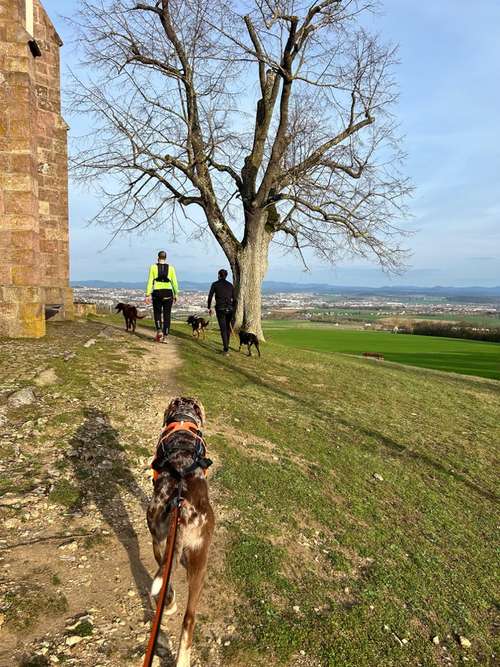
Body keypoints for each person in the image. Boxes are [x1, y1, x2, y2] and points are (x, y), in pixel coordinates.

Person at [145, 250, 179, 343]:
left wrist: (148, 294)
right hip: (168, 293)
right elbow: (174, 282)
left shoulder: (153, 267)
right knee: (167, 315)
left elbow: (150, 281)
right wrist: (176, 294)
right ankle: (165, 335)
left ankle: (159, 330)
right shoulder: (171, 268)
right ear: (166, 258)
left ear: (158, 258)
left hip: (157, 292)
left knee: (157, 313)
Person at [208, 269, 235, 355]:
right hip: (230, 309)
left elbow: (210, 296)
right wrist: (233, 308)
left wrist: (209, 307)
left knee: (223, 329)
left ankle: (226, 349)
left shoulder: (215, 284)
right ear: (226, 276)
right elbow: (235, 299)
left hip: (220, 309)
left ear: (219, 275)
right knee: (227, 328)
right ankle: (227, 346)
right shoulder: (230, 285)